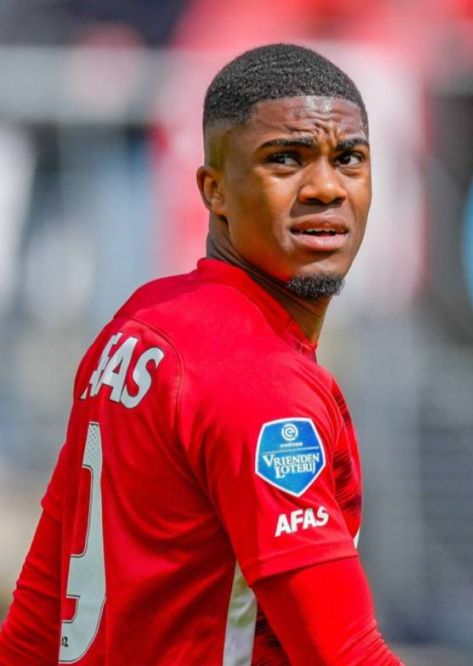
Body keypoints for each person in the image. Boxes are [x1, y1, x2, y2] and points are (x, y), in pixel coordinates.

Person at [0, 44, 402, 665]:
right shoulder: (262, 384)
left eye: (348, 158)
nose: (325, 187)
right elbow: (341, 652)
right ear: (213, 191)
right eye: (286, 159)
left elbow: (37, 612)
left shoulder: (137, 324)